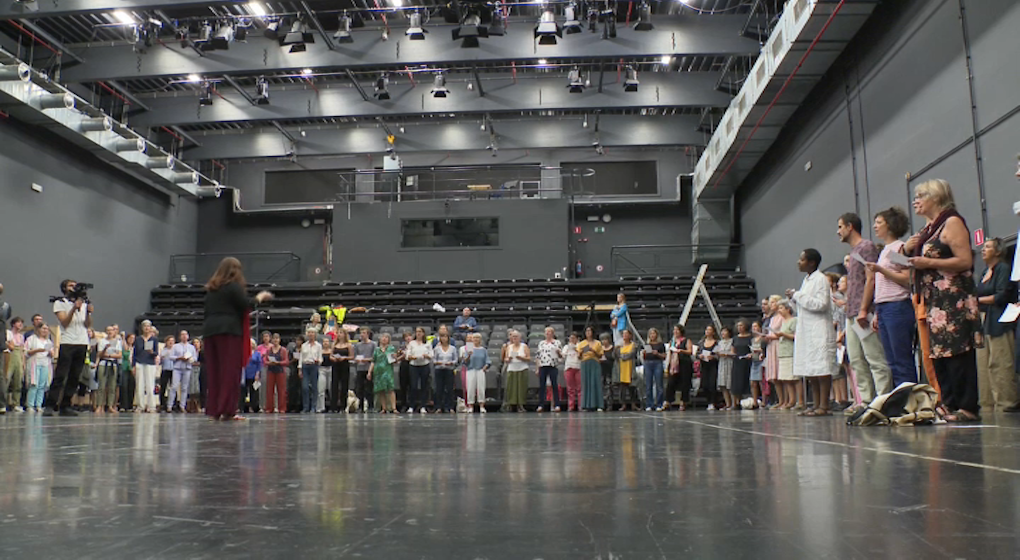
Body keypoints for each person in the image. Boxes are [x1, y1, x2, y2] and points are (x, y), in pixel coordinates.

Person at [905, 180, 983, 421]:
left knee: (958, 351)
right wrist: (910, 250)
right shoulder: (928, 229)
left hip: (954, 298)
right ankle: (948, 403)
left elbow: (964, 260)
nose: (915, 201)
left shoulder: (951, 222)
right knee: (939, 353)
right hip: (935, 300)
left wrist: (928, 262)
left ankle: (967, 407)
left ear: (936, 197)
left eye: (921, 196)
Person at [201, 256, 273, 421]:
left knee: (215, 372)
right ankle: (227, 410)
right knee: (229, 371)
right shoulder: (233, 286)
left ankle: (214, 409)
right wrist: (259, 298)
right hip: (229, 331)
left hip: (210, 332)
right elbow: (245, 304)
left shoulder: (212, 289)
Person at [838, 213, 891, 409]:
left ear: (850, 227)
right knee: (856, 359)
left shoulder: (866, 247)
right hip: (851, 314)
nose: (838, 231)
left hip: (862, 312)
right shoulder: (854, 253)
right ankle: (866, 400)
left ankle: (883, 400)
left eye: (840, 227)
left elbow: (871, 278)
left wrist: (863, 309)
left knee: (874, 357)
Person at [866, 207, 917, 388]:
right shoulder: (885, 251)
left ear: (890, 225)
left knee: (901, 359)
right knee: (892, 361)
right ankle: (901, 399)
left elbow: (907, 278)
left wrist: (881, 270)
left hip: (898, 306)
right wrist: (878, 313)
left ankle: (911, 400)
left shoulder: (898, 249)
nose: (875, 226)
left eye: (879, 222)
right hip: (885, 308)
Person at [789, 248, 837, 416]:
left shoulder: (821, 279)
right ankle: (816, 404)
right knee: (811, 370)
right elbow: (803, 306)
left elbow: (821, 304)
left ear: (811, 262)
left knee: (822, 369)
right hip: (807, 330)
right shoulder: (807, 280)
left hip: (819, 329)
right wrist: (793, 299)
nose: (798, 262)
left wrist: (798, 296)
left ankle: (824, 405)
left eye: (802, 259)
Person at [974, 237, 1019, 412]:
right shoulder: (985, 271)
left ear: (998, 251)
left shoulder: (1003, 268)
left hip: (1000, 319)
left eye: (988, 247)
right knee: (984, 365)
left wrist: (976, 300)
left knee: (1001, 361)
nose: (983, 250)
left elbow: (1001, 296)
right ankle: (988, 403)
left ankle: (1007, 402)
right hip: (985, 319)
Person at [44, 279, 94, 416]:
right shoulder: (60, 303)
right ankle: (50, 404)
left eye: (74, 285)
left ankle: (66, 405)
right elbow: (65, 322)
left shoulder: (83, 303)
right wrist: (74, 308)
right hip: (68, 341)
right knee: (61, 375)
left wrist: (88, 312)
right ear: (64, 288)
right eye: (70, 285)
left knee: (75, 376)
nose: (73, 287)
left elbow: (87, 324)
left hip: (82, 342)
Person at [773, 300, 797, 409]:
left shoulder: (793, 320)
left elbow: (795, 336)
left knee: (793, 378)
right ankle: (789, 400)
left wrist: (783, 334)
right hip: (783, 351)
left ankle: (796, 400)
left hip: (790, 351)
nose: (779, 310)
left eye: (781, 308)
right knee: (785, 378)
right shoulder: (783, 322)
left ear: (788, 309)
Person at [25, 323, 54, 412]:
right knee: (34, 384)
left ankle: (39, 405)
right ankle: (30, 405)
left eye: (46, 328)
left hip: (45, 363)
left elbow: (52, 353)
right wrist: (38, 350)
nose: (45, 330)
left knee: (42, 385)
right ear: (38, 329)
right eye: (43, 328)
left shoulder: (48, 342)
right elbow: (26, 352)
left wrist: (50, 353)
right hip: (35, 362)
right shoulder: (32, 339)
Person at [133, 320, 160, 413]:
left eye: (148, 326)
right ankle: (140, 405)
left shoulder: (154, 339)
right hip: (139, 362)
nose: (146, 328)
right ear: (142, 328)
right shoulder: (138, 339)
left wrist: (152, 352)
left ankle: (151, 406)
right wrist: (133, 365)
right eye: (144, 326)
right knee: (139, 385)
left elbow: (156, 353)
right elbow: (135, 353)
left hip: (150, 363)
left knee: (150, 385)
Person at [369, 332, 399, 413]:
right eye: (383, 337)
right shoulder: (377, 349)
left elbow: (393, 361)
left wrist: (395, 358)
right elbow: (373, 361)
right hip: (378, 371)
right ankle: (384, 408)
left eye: (386, 337)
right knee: (381, 390)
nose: (384, 339)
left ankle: (393, 408)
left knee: (390, 389)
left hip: (387, 371)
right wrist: (369, 372)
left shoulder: (391, 348)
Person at [666, 324, 693, 411]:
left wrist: (681, 351)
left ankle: (683, 402)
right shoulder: (672, 341)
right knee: (670, 383)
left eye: (677, 330)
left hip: (684, 363)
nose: (675, 332)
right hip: (674, 364)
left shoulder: (686, 340)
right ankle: (668, 401)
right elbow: (669, 353)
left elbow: (690, 351)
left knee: (685, 383)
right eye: (674, 330)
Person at [95, 325, 122, 414]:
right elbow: (100, 354)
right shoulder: (102, 341)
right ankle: (99, 405)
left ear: (114, 332)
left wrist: (109, 355)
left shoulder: (117, 342)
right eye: (108, 330)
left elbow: (119, 355)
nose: (110, 332)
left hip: (113, 364)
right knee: (101, 386)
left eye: (112, 330)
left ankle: (110, 405)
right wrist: (105, 349)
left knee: (112, 386)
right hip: (103, 363)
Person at [168, 330, 197, 413]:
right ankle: (170, 405)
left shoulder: (191, 347)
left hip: (187, 368)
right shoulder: (175, 346)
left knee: (184, 388)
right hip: (177, 368)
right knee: (174, 386)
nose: (184, 336)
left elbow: (195, 358)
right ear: (180, 337)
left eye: (185, 334)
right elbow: (171, 357)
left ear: (188, 336)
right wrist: (179, 358)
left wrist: (189, 359)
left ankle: (182, 406)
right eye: (182, 335)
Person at [406, 327, 434, 414]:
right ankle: (411, 406)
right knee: (413, 386)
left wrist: (426, 356)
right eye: (417, 331)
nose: (418, 333)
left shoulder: (428, 343)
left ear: (423, 333)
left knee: (424, 386)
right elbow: (407, 356)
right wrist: (412, 357)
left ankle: (423, 406)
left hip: (424, 365)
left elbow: (431, 355)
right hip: (414, 366)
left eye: (420, 332)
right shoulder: (411, 343)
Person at [535, 327, 563, 413]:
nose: (548, 333)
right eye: (547, 332)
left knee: (554, 385)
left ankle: (557, 405)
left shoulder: (557, 342)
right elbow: (538, 356)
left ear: (553, 333)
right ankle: (541, 405)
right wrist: (537, 368)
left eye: (550, 332)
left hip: (553, 365)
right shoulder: (541, 343)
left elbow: (561, 356)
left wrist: (558, 353)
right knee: (542, 386)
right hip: (543, 366)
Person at [503, 330, 531, 412]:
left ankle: (521, 405)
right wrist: (508, 359)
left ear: (520, 338)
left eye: (516, 337)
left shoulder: (524, 346)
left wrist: (521, 358)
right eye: (513, 337)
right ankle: (511, 404)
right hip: (512, 368)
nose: (515, 338)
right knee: (511, 388)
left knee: (521, 387)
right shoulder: (509, 347)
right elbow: (505, 358)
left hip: (522, 368)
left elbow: (529, 358)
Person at [577, 326, 604, 412]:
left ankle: (599, 404)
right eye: (586, 331)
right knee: (586, 383)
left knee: (596, 383)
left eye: (589, 331)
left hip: (595, 362)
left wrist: (593, 350)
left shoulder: (598, 343)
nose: (588, 333)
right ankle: (586, 405)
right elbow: (578, 357)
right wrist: (581, 352)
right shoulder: (581, 343)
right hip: (585, 363)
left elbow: (600, 355)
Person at [462, 332, 490, 413]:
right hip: (471, 370)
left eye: (477, 338)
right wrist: (469, 355)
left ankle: (481, 405)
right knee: (470, 388)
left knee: (481, 388)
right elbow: (465, 362)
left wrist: (485, 366)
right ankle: (470, 406)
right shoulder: (469, 348)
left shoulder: (483, 350)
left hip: (480, 370)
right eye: (474, 338)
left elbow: (487, 361)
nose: (476, 340)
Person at [4, 316, 25, 413]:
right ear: (13, 324)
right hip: (10, 356)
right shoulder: (8, 333)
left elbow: (22, 350)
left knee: (18, 380)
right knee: (7, 379)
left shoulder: (21, 336)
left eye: (21, 323)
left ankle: (16, 403)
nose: (20, 324)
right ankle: (3, 402)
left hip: (18, 357)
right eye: (18, 322)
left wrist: (23, 362)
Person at [730, 320, 754, 410]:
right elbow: (733, 349)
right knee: (736, 382)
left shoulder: (750, 337)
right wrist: (732, 354)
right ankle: (736, 402)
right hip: (737, 361)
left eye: (741, 325)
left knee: (747, 380)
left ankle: (748, 401)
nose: (739, 327)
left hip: (747, 361)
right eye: (738, 325)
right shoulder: (735, 338)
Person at [433, 332, 458, 413]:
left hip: (449, 369)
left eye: (445, 337)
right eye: (442, 337)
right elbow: (433, 359)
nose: (444, 339)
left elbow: (456, 359)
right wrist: (438, 362)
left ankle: (449, 407)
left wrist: (451, 363)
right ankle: (438, 406)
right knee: (439, 388)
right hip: (439, 369)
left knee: (449, 389)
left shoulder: (452, 348)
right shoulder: (437, 349)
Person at [613, 329, 638, 411]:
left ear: (630, 335)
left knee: (632, 388)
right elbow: (615, 356)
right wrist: (617, 351)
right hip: (622, 369)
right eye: (623, 334)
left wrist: (623, 356)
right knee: (622, 389)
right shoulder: (619, 346)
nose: (625, 336)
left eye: (626, 334)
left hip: (630, 368)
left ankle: (633, 404)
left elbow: (632, 354)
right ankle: (623, 404)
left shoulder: (634, 345)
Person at [641, 328, 666, 411]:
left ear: (656, 335)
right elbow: (643, 357)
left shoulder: (660, 344)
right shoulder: (646, 344)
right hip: (648, 363)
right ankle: (649, 404)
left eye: (654, 333)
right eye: (651, 334)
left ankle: (659, 404)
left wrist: (657, 353)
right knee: (648, 385)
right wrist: (644, 353)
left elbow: (664, 356)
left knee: (659, 384)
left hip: (657, 362)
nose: (652, 335)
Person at [263, 333, 288, 413]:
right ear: (272, 340)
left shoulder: (283, 350)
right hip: (271, 370)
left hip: (280, 371)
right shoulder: (269, 350)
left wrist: (278, 362)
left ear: (279, 340)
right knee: (269, 390)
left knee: (281, 390)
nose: (275, 340)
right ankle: (269, 408)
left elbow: (286, 361)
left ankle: (282, 408)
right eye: (274, 338)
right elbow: (265, 360)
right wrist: (269, 363)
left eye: (277, 338)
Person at [353, 328, 376, 413]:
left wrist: (366, 360)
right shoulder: (357, 345)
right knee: (360, 388)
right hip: (360, 368)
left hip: (369, 368)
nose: (362, 335)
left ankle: (371, 406)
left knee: (369, 388)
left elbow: (374, 357)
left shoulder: (373, 344)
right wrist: (357, 360)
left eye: (363, 333)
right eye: (361, 333)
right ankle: (360, 406)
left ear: (368, 334)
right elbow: (355, 356)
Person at [300, 329, 323, 413]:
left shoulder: (318, 346)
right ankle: (306, 406)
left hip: (314, 366)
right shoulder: (304, 345)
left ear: (315, 334)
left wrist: (319, 361)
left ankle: (313, 406)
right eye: (309, 333)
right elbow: (301, 357)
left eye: (312, 333)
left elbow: (320, 357)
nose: (310, 334)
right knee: (305, 387)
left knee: (314, 387)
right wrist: (300, 369)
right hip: (305, 366)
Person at [329, 329, 352, 413]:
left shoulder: (348, 345)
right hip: (335, 365)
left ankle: (343, 406)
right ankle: (333, 406)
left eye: (341, 333)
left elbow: (351, 356)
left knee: (344, 386)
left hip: (344, 365)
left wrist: (344, 358)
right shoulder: (334, 344)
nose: (339, 334)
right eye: (338, 333)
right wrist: (333, 358)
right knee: (334, 385)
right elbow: (330, 356)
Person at [698, 325, 720, 410]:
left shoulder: (717, 342)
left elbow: (718, 354)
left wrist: (713, 357)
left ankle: (713, 402)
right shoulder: (701, 342)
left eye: (710, 330)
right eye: (707, 329)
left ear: (713, 332)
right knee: (704, 384)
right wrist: (699, 356)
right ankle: (708, 400)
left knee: (712, 384)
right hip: (704, 364)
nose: (708, 331)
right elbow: (697, 353)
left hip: (713, 365)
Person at [715, 326, 735, 410]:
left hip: (729, 363)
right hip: (722, 363)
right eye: (722, 332)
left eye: (724, 331)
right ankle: (727, 403)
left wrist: (726, 354)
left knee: (730, 384)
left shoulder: (732, 341)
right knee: (723, 384)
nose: (723, 333)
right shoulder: (720, 342)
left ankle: (734, 403)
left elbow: (734, 353)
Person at [240, 338, 261, 413]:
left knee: (254, 392)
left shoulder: (257, 353)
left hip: (253, 374)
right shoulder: (243, 353)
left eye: (251, 343)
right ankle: (243, 407)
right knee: (243, 392)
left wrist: (257, 374)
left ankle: (254, 407)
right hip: (245, 374)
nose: (250, 345)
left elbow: (259, 365)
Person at [562, 332, 582, 412]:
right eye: (570, 338)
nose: (571, 340)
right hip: (568, 367)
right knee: (570, 389)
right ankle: (571, 406)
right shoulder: (566, 347)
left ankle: (581, 405)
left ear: (577, 339)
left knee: (580, 388)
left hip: (578, 367)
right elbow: (563, 356)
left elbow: (581, 355)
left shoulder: (580, 345)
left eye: (573, 338)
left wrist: (576, 349)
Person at [748, 321, 765, 409]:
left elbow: (765, 349)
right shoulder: (752, 340)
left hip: (761, 360)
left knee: (761, 382)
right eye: (753, 327)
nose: (754, 328)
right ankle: (755, 401)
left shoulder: (763, 338)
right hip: (754, 360)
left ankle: (764, 401)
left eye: (756, 326)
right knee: (753, 382)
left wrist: (759, 350)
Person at [158, 335, 176, 412]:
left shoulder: (176, 350)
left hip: (174, 370)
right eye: (169, 340)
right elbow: (160, 362)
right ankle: (162, 404)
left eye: (172, 340)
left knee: (173, 387)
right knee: (163, 387)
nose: (171, 342)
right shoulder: (163, 350)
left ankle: (173, 404)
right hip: (165, 370)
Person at [119, 332, 136, 412]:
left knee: (131, 387)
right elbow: (125, 353)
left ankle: (130, 405)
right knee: (124, 386)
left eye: (133, 338)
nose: (131, 340)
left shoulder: (134, 348)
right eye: (130, 338)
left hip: (132, 369)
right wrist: (123, 338)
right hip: (125, 367)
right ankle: (123, 405)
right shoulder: (124, 346)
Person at [317, 338, 333, 413]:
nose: (326, 343)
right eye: (324, 342)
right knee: (321, 389)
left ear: (329, 343)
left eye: (327, 341)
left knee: (331, 388)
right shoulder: (320, 351)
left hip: (330, 369)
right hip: (322, 369)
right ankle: (321, 407)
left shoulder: (332, 351)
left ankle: (332, 406)